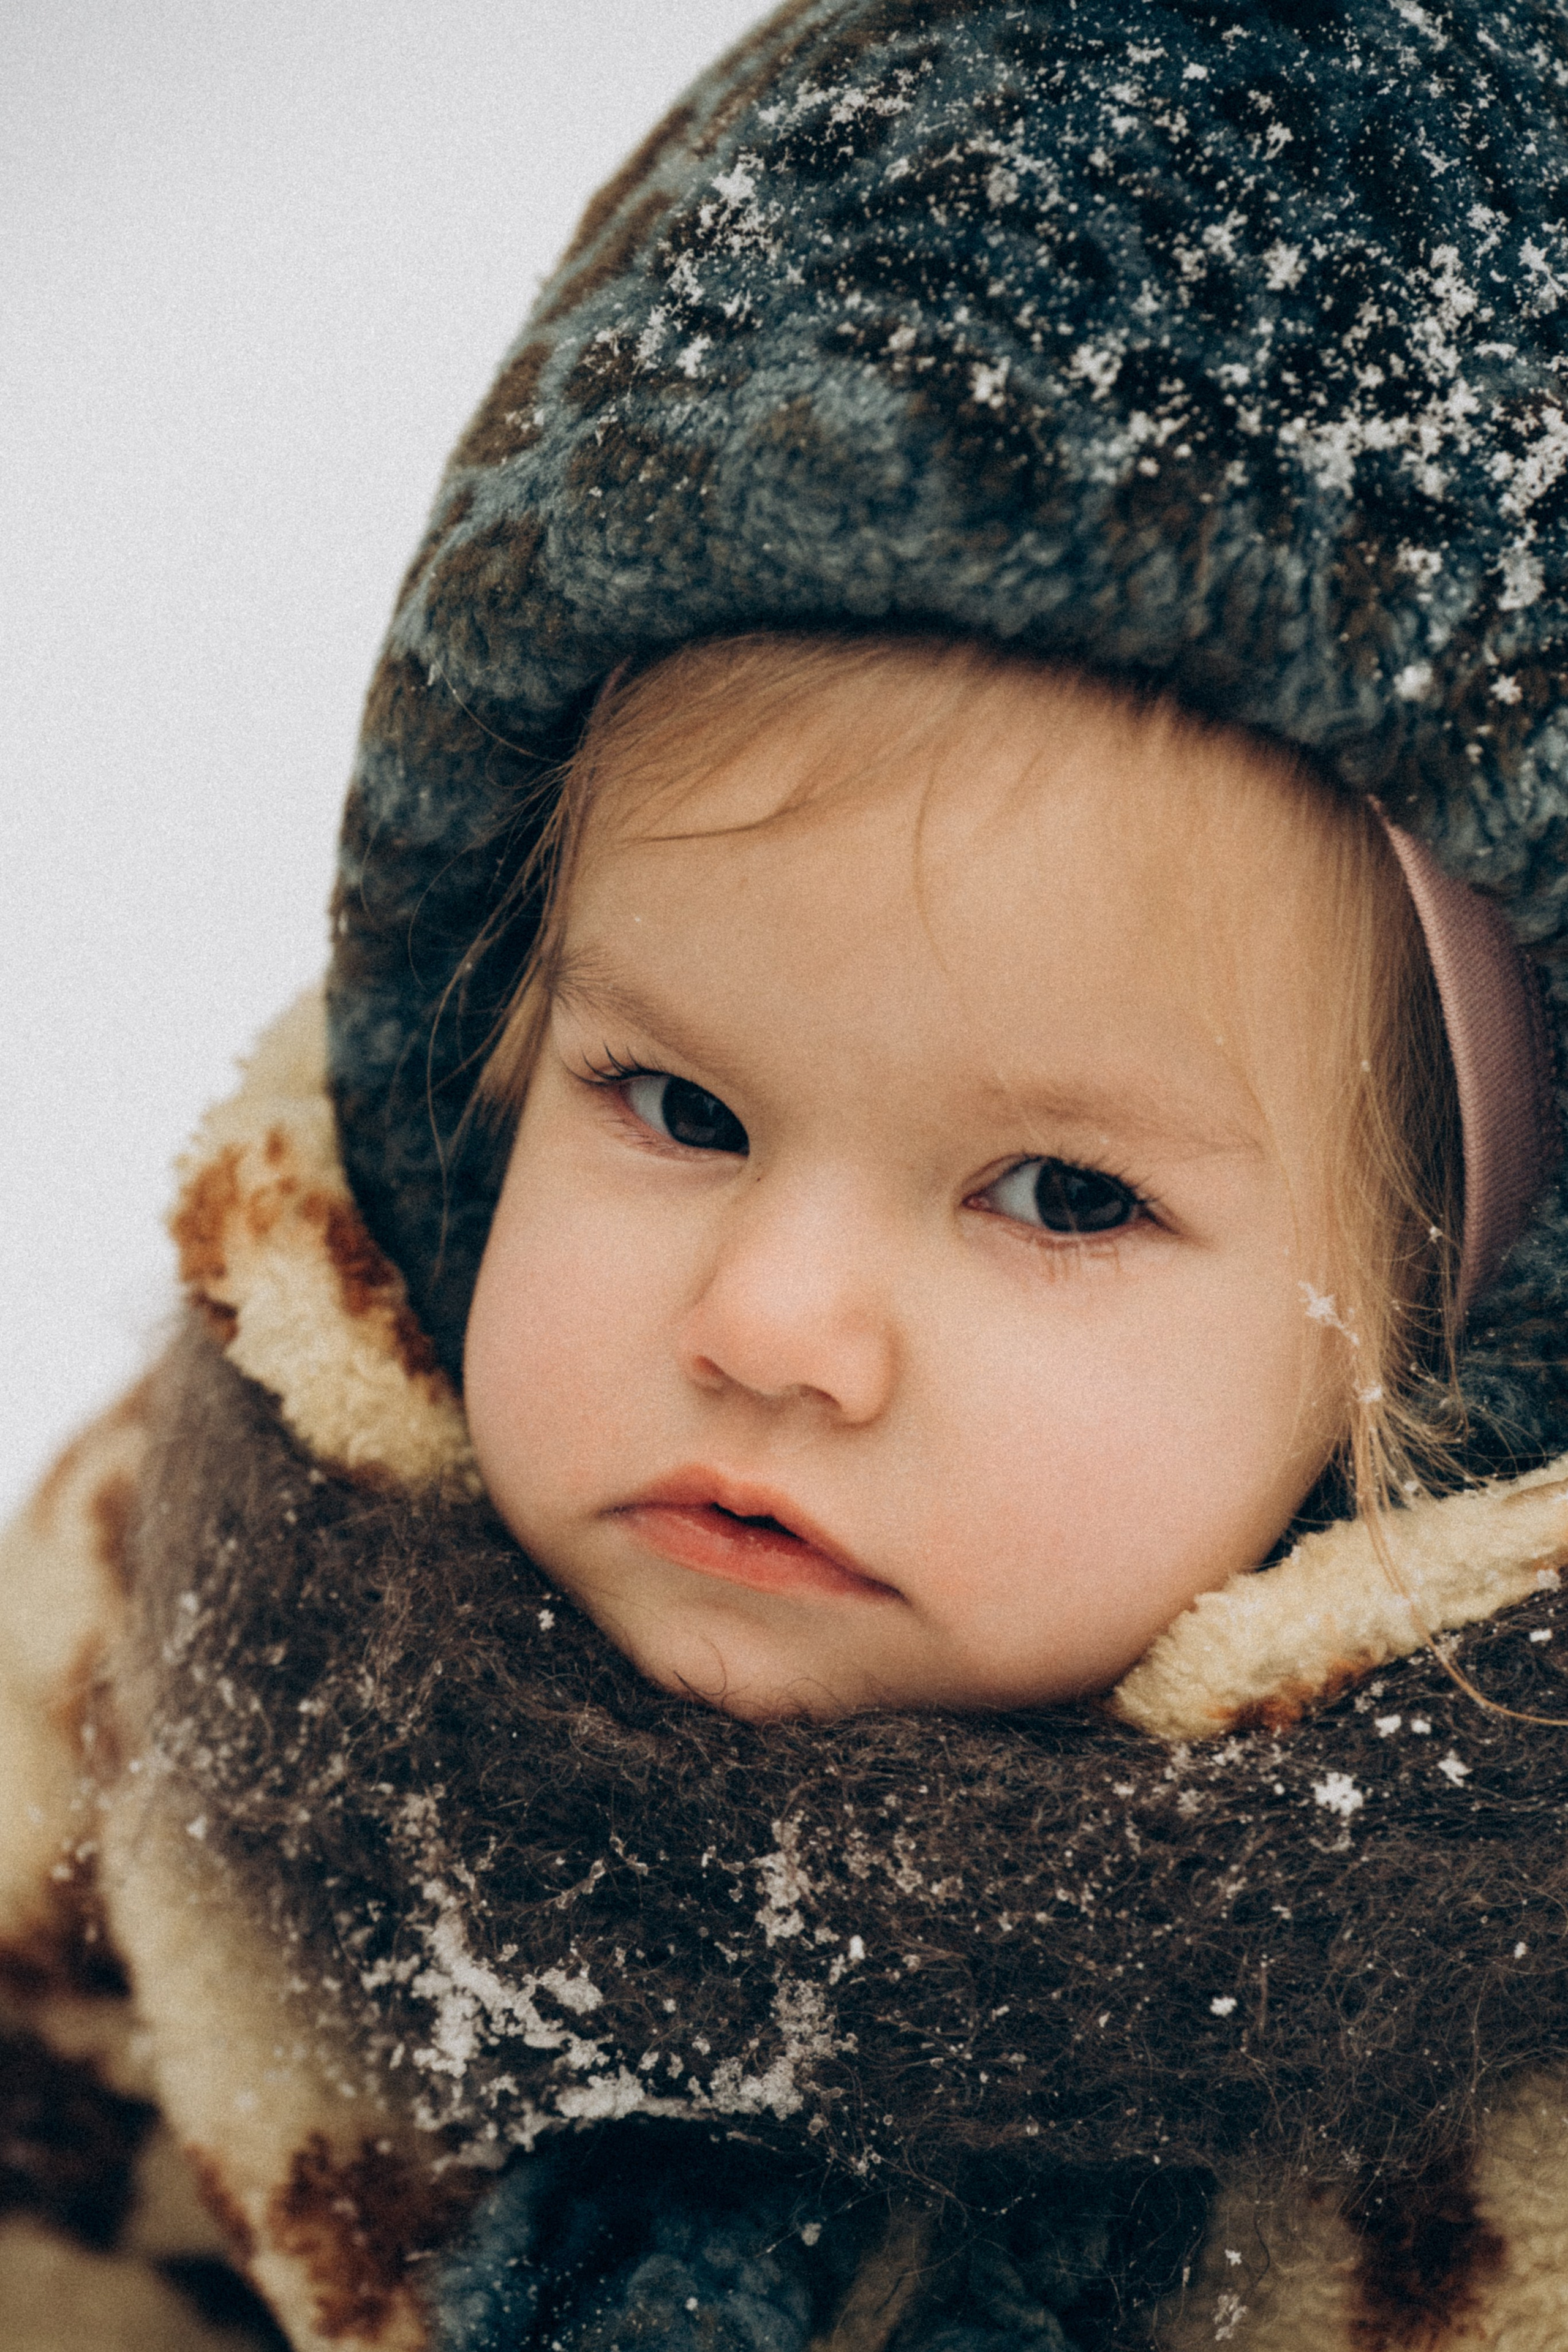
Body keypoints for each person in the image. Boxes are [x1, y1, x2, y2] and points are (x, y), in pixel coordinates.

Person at [7, 2, 1568, 2346]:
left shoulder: (1493, 2075)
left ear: (1453, 1340)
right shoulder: (193, 1642)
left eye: (1062, 1197)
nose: (770, 1327)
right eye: (679, 1108)